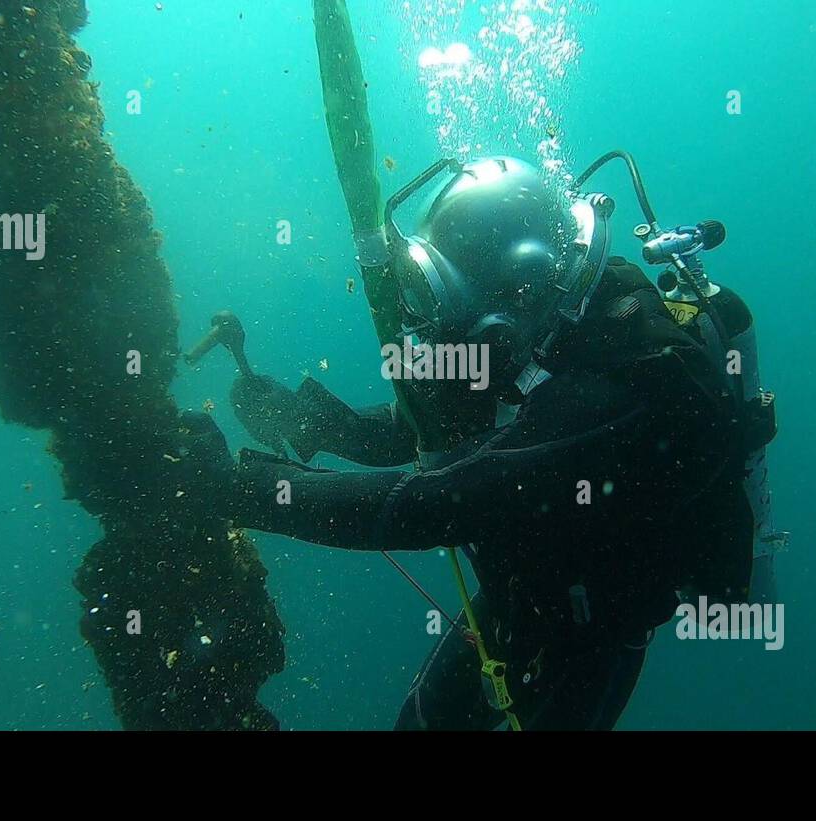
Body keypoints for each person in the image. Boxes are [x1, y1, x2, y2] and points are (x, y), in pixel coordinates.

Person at [193, 155, 777, 729]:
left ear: (509, 285)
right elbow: (418, 431)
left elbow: (432, 504)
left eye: (438, 301)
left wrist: (237, 489)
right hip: (514, 592)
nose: (431, 327)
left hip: (592, 629)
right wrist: (305, 421)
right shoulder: (527, 326)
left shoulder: (627, 385)